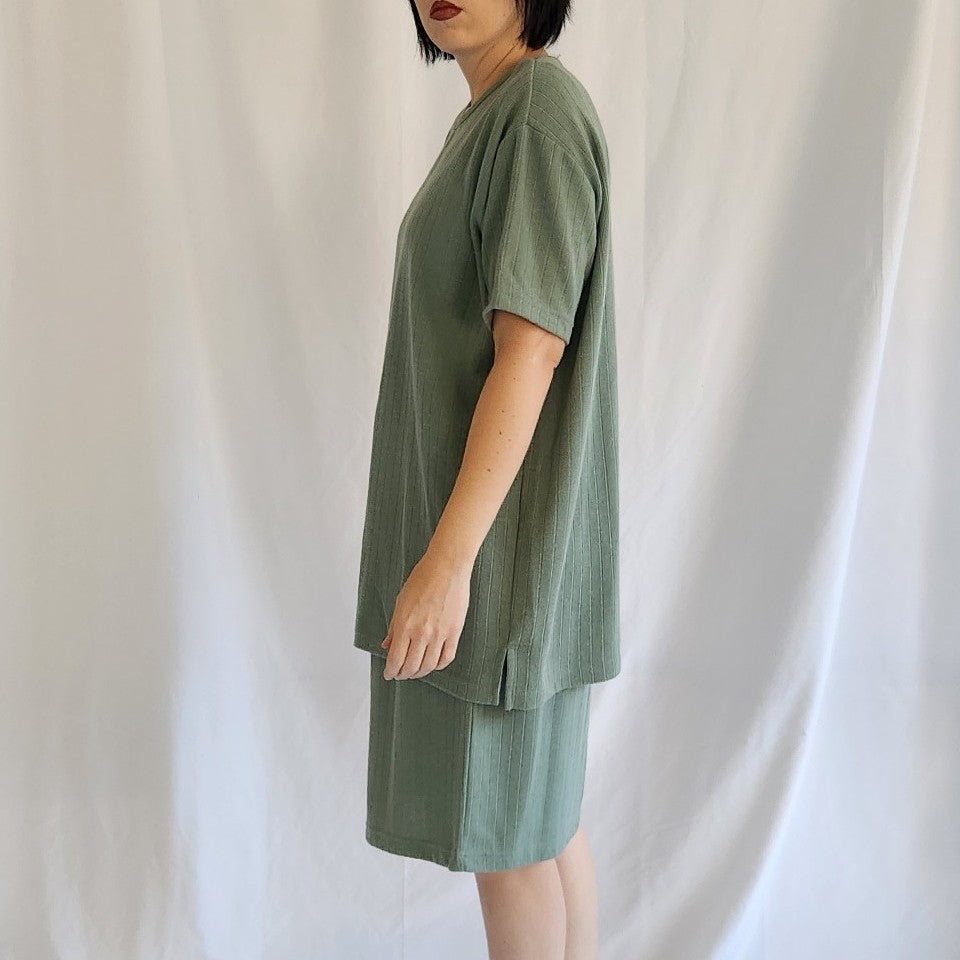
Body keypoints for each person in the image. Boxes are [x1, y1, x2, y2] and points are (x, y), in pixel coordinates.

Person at [352, 1, 620, 956]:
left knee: (512, 840)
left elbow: (532, 350)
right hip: (506, 543)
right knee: (542, 822)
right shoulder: (502, 111)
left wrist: (448, 562)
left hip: (497, 554)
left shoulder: (535, 115)